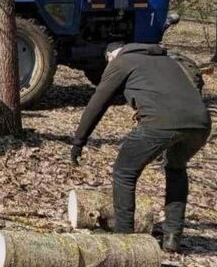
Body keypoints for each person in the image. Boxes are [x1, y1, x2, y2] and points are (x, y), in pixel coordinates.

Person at [70, 42, 211, 251]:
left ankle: (125, 238)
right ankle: (172, 237)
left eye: (109, 59)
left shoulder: (121, 61)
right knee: (176, 168)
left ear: (111, 54)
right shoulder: (167, 60)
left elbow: (98, 103)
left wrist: (78, 141)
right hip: (201, 123)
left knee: (124, 171)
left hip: (160, 123)